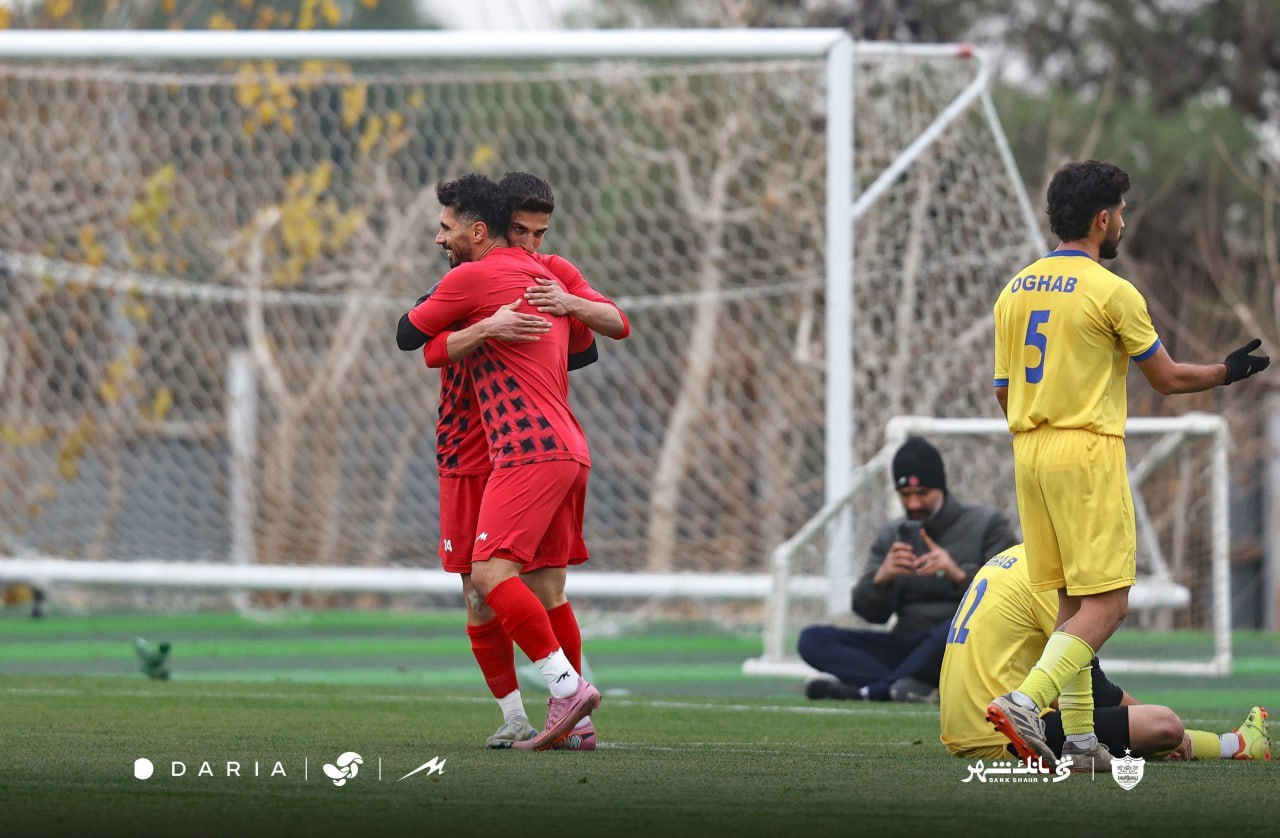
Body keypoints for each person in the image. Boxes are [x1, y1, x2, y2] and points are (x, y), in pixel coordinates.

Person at [987, 160, 1271, 772]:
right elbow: (1166, 378)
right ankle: (1025, 702)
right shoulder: (1112, 291)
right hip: (1084, 453)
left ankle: (1081, 741)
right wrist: (1226, 371)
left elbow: (1004, 393)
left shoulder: (1015, 290)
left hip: (1029, 451)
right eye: (1120, 212)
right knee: (1109, 607)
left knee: (1071, 606)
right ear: (1102, 219)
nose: (1122, 222)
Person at [400, 172, 628, 751]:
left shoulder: (548, 274)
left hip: (522, 446)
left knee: (512, 580)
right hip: (472, 451)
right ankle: (520, 716)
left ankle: (568, 695)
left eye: (538, 233)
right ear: (499, 227)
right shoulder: (462, 280)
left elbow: (595, 342)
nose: (530, 243)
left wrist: (560, 306)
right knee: (482, 592)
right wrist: (487, 327)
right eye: (520, 231)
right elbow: (420, 343)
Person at [940, 543, 1271, 764]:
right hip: (1003, 734)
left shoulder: (1016, 557)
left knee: (1126, 720)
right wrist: (1165, 731)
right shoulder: (1049, 576)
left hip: (963, 728)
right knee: (1164, 724)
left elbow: (1057, 687)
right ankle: (1234, 746)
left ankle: (1235, 744)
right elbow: (1093, 687)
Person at [798, 436, 1018, 702]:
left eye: (922, 493)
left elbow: (1010, 594)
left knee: (951, 631)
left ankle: (872, 690)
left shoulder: (987, 524)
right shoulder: (892, 534)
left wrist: (957, 573)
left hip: (960, 644)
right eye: (905, 495)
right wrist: (881, 580)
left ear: (941, 487)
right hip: (906, 642)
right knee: (812, 639)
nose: (914, 504)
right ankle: (906, 685)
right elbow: (871, 614)